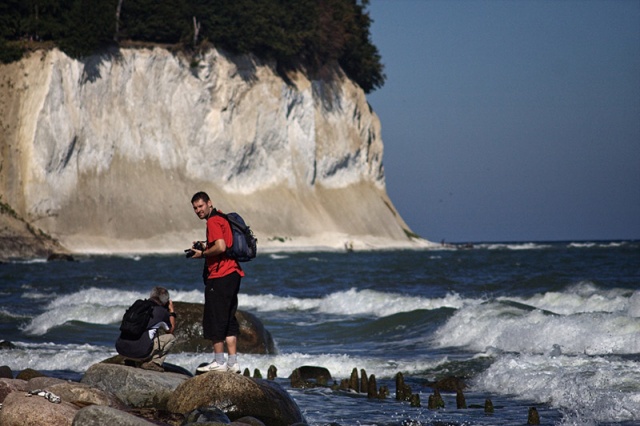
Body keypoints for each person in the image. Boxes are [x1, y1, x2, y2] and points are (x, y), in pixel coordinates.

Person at [189, 191, 244, 373]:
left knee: (215, 317)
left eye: (201, 206)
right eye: (195, 208)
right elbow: (224, 243)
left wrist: (203, 254)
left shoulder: (213, 221)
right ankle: (233, 362)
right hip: (233, 273)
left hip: (220, 275)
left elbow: (220, 246)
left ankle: (219, 361)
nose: (198, 210)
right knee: (228, 318)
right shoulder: (221, 217)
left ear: (209, 203)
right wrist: (205, 245)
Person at [115, 286, 176, 372]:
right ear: (165, 301)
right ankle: (154, 363)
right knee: (171, 338)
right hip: (140, 354)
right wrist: (172, 311)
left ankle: (130, 360)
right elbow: (170, 330)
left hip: (121, 350)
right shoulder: (161, 312)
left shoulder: (137, 305)